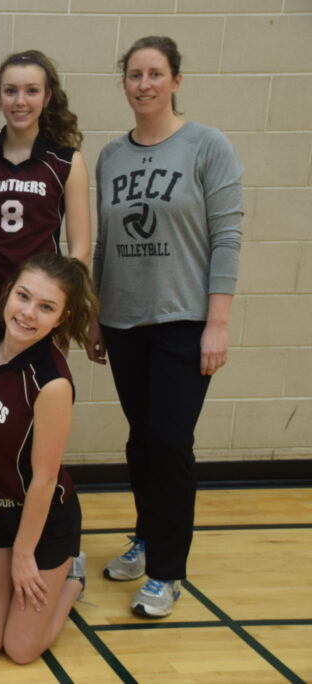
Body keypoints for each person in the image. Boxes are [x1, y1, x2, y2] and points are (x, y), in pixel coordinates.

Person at [88, 36, 244, 619]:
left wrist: (217, 323)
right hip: (123, 320)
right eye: (135, 74)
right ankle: (148, 537)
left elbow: (227, 237)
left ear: (176, 80)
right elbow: (104, 244)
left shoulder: (207, 145)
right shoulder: (111, 156)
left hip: (184, 320)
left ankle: (167, 571)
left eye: (155, 73)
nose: (144, 84)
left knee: (171, 441)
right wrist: (94, 314)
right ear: (124, 83)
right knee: (141, 438)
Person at [0, 253, 94, 664]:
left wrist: (23, 555)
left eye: (46, 307)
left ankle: (72, 578)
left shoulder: (52, 383)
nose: (28, 313)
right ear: (8, 292)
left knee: (20, 650)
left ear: (62, 317)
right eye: (24, 296)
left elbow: (44, 480)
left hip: (43, 520)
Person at [0, 50, 90, 325]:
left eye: (32, 91)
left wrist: (60, 305)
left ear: (47, 97)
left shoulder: (67, 162)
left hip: (39, 306)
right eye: (11, 91)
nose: (20, 101)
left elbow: (80, 250)